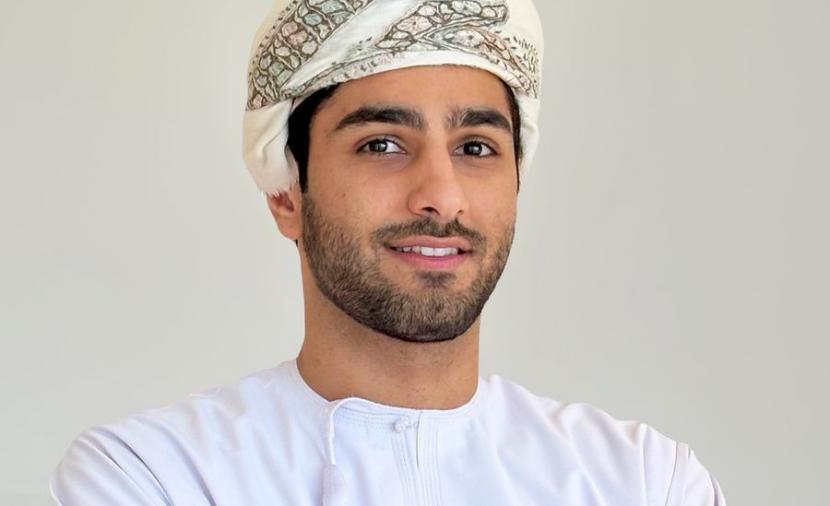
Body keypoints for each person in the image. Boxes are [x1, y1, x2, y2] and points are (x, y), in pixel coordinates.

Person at [51, 1, 727, 505]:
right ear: (287, 194)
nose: (442, 197)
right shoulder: (156, 475)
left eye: (476, 148)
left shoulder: (642, 480)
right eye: (382, 144)